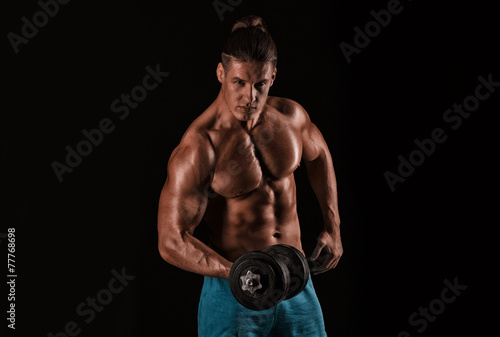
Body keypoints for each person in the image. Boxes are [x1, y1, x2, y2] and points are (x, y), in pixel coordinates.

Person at [157, 15, 342, 337]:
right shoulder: (202, 146)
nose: (250, 97)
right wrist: (237, 274)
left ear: (273, 76)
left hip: (296, 282)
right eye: (239, 82)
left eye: (260, 84)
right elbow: (171, 241)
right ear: (221, 73)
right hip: (233, 292)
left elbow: (320, 155)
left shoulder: (291, 117)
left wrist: (333, 227)